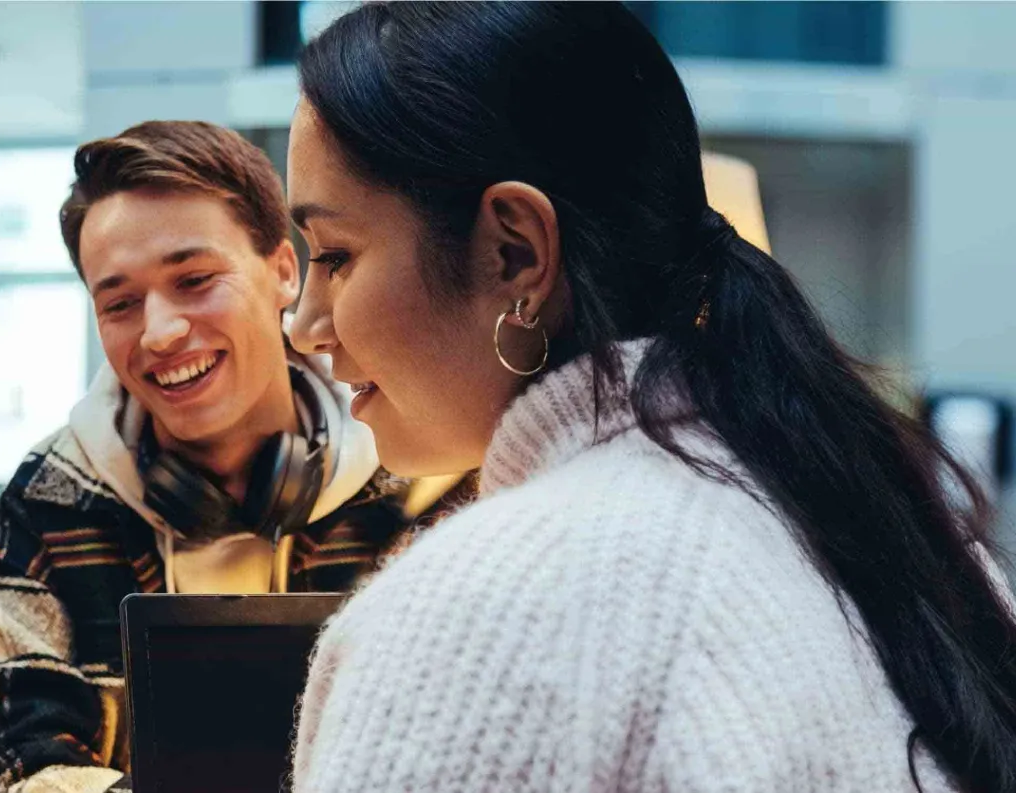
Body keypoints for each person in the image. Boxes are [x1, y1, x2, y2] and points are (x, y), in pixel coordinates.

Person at [282, 4, 1016, 791]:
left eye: (334, 254)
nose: (302, 326)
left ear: (515, 250)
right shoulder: (890, 533)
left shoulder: (479, 614)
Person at [0, 120, 471, 793]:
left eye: (193, 279)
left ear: (282, 270)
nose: (159, 333)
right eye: (121, 302)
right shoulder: (48, 500)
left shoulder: (433, 473)